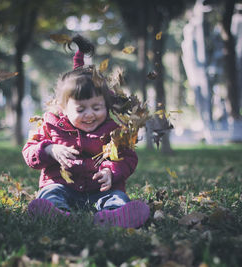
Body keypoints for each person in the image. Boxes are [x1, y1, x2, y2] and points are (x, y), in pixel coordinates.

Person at [22, 35, 150, 229]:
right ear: (64, 109)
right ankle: (57, 215)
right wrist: (49, 150)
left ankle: (114, 216)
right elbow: (29, 152)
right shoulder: (52, 125)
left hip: (100, 189)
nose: (90, 115)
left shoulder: (114, 131)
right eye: (81, 110)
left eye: (97, 107)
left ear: (106, 105)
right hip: (62, 185)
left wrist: (111, 171)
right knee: (51, 193)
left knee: (117, 197)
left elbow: (128, 158)